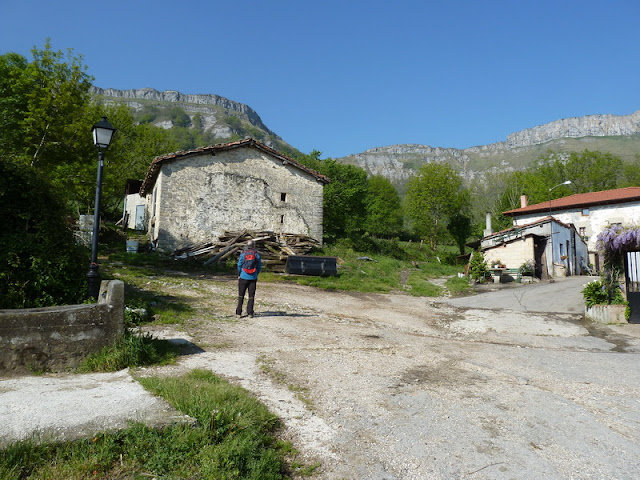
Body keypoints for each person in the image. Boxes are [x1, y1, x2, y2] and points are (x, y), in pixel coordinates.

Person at [236, 240, 262, 317]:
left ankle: (238, 313)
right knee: (251, 296)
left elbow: (239, 265)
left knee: (241, 295)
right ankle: (250, 312)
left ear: (246, 246)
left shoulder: (243, 254)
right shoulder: (257, 255)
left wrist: (239, 274)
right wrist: (256, 274)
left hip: (243, 276)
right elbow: (259, 266)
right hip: (253, 278)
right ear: (254, 246)